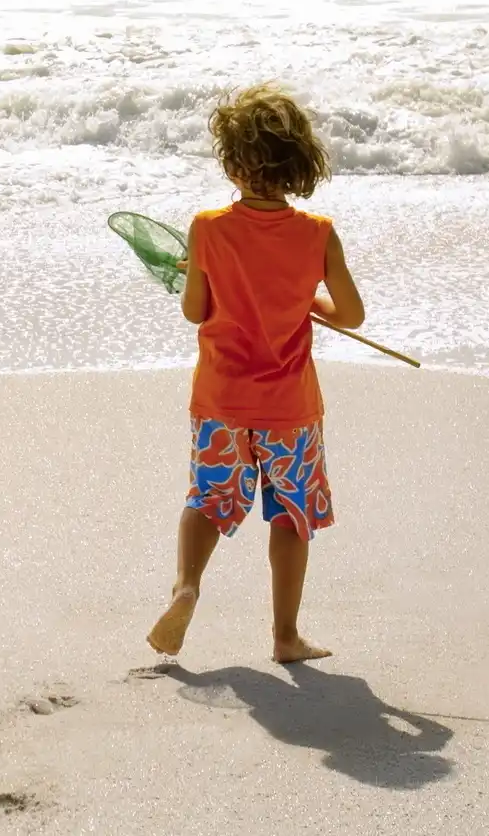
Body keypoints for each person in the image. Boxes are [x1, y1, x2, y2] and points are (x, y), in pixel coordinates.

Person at [147, 84, 365, 664]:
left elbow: (196, 310)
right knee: (292, 515)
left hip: (220, 398)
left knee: (208, 500)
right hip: (289, 406)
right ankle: (285, 636)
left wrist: (195, 271)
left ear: (232, 162)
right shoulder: (318, 233)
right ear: (299, 164)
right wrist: (310, 305)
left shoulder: (208, 228)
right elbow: (353, 315)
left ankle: (187, 587)